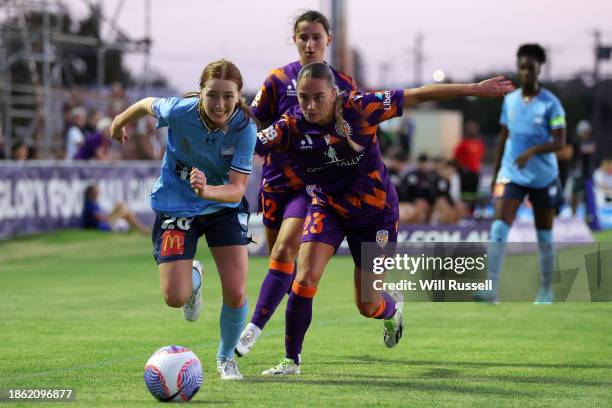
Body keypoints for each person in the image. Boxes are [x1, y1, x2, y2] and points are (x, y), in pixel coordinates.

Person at [255, 62, 513, 375]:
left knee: (367, 304)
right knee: (305, 278)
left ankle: (391, 309)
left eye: (318, 97)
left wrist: (474, 89)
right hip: (328, 207)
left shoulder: (361, 108)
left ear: (334, 94)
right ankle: (290, 361)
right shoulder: (289, 124)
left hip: (376, 217)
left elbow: (418, 95)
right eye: (303, 98)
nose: (309, 105)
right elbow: (248, 141)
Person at [110, 59, 257, 380]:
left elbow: (235, 190)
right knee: (174, 298)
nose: (220, 104)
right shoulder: (179, 110)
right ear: (200, 94)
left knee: (236, 290)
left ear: (239, 96)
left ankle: (225, 359)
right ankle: (194, 280)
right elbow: (148, 104)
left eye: (228, 96)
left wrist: (207, 192)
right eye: (212, 95)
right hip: (175, 206)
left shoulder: (246, 128)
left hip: (222, 208)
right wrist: (121, 120)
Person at [235, 10, 356, 357]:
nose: (310, 43)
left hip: (311, 189)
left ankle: (253, 330)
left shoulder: (344, 85)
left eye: (317, 36)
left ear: (328, 40)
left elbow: (355, 132)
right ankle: (294, 338)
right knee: (285, 270)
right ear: (295, 40)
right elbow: (253, 123)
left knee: (285, 251)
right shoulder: (277, 80)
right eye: (303, 36)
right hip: (273, 186)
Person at [475, 44, 566, 305]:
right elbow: (503, 138)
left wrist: (533, 151)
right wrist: (495, 175)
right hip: (511, 174)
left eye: (530, 67)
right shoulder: (510, 100)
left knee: (544, 236)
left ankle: (546, 290)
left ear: (540, 68)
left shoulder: (552, 105)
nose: (524, 72)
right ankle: (491, 290)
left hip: (543, 177)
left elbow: (560, 142)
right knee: (498, 227)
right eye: (521, 67)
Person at [82, 184, 149, 235]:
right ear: (91, 194)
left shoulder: (94, 203)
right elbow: (100, 218)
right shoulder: (89, 205)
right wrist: (111, 215)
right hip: (102, 225)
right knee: (125, 212)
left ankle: (141, 229)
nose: (98, 193)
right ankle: (142, 229)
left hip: (105, 221)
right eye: (96, 192)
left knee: (121, 205)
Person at [454, 120, 485, 213]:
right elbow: (456, 156)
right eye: (470, 129)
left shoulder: (480, 144)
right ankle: (463, 212)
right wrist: (461, 168)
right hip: (465, 173)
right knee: (464, 193)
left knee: (474, 194)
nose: (472, 130)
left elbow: (480, 158)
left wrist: (479, 169)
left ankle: (472, 211)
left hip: (475, 173)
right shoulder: (463, 143)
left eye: (474, 128)